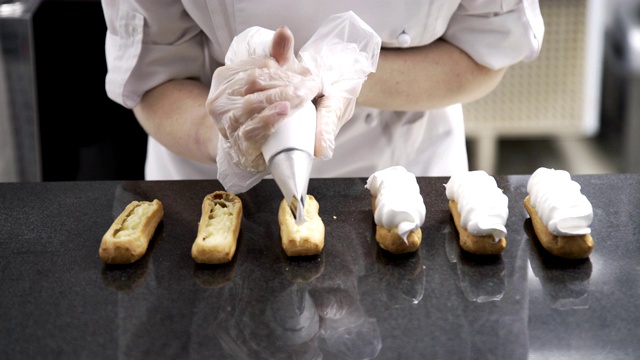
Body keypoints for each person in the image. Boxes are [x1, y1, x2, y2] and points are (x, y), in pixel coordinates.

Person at [102, 1, 544, 184]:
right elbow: (154, 76)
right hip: (206, 182)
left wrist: (344, 71)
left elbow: (485, 54)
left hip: (406, 171)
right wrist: (223, 134)